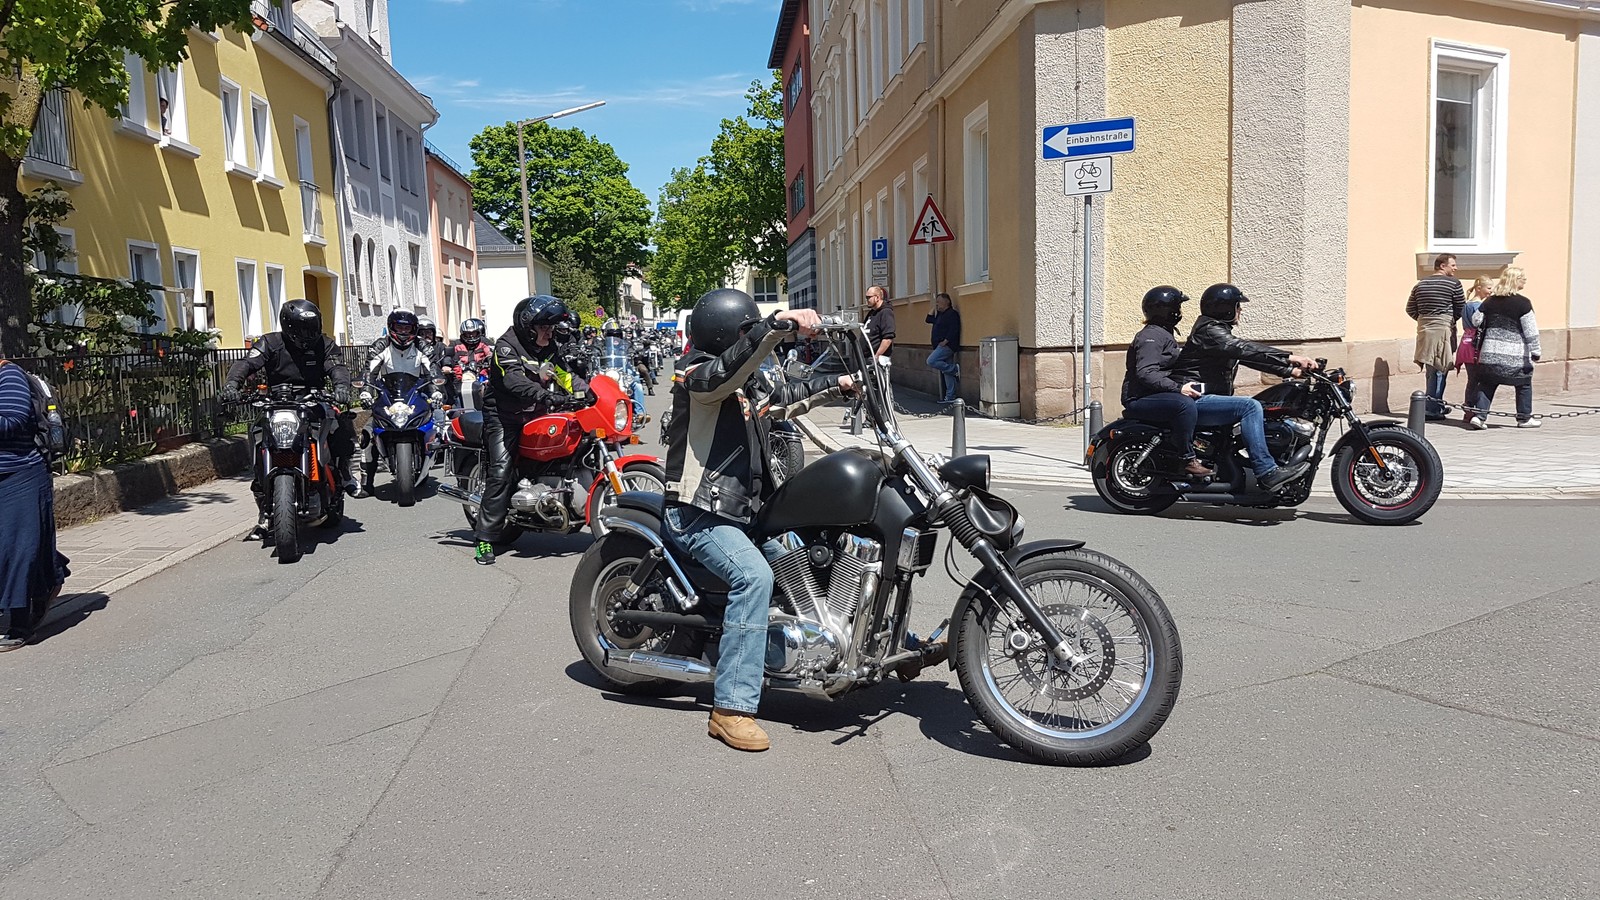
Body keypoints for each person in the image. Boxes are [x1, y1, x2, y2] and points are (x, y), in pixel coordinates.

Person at [664, 288, 857, 751]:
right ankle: (730, 708)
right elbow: (724, 373)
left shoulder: (749, 383)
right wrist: (773, 328)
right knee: (753, 578)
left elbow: (786, 396)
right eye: (746, 329)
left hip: (744, 512)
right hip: (699, 512)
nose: (752, 334)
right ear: (728, 333)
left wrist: (841, 383)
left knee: (808, 555)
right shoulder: (695, 376)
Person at [474, 295, 588, 565]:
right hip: (504, 416)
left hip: (535, 410)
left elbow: (566, 375)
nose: (550, 331)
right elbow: (513, 380)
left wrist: (591, 393)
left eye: (551, 327)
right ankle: (484, 540)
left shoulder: (548, 348)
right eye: (545, 327)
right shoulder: (506, 346)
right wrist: (545, 395)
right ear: (529, 326)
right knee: (500, 471)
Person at [1174, 284, 1317, 492]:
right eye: (1237, 306)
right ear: (1225, 309)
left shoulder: (1216, 331)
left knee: (1261, 408)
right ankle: (1267, 471)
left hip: (1207, 397)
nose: (1240, 310)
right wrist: (1291, 357)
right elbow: (1245, 349)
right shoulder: (1210, 331)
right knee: (1250, 407)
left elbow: (1248, 357)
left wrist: (1291, 371)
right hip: (1197, 398)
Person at [222, 299, 358, 511]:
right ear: (288, 325)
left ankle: (344, 471)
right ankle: (260, 480)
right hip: (276, 402)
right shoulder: (270, 343)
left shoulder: (325, 344)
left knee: (339, 423)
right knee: (257, 430)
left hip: (313, 399)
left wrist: (341, 387)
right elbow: (246, 363)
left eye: (313, 327)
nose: (309, 333)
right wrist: (232, 384)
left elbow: (337, 367)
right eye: (304, 329)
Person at [0, 359, 69, 651]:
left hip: (21, 475)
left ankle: (20, 624)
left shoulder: (8, 375)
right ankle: (52, 574)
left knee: (17, 548)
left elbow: (13, 420)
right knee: (17, 544)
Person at [1121, 287, 1212, 477]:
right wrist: (1179, 389)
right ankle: (1187, 458)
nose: (1180, 312)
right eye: (1177, 307)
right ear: (1167, 310)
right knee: (1184, 405)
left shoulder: (1163, 333)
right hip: (1139, 398)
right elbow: (1146, 373)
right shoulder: (1150, 336)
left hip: (1155, 394)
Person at [1467, 266, 1542, 430]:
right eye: (1523, 278)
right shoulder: (1523, 303)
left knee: (1487, 384)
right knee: (1524, 383)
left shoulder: (1490, 301)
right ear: (1516, 281)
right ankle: (1524, 418)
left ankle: (1479, 417)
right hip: (1514, 356)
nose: (1525, 280)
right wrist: (1536, 351)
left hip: (1490, 353)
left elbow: (1475, 320)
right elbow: (1531, 331)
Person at [1407, 254, 1465, 420]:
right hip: (1443, 330)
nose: (1455, 268)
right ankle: (1432, 408)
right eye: (1452, 265)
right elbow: (1460, 307)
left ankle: (1434, 404)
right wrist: (1448, 321)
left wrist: (1425, 320)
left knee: (1431, 369)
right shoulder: (1454, 283)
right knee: (1441, 368)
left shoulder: (1420, 284)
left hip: (1424, 331)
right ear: (1442, 266)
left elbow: (1410, 309)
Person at [1455, 275, 1494, 423]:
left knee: (1472, 379)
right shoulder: (1477, 306)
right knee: (1478, 379)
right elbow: (1480, 325)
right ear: (1479, 288)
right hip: (1475, 346)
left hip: (1465, 342)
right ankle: (1474, 409)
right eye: (1488, 288)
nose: (1490, 292)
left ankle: (1468, 410)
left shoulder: (1467, 304)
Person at [925, 292, 962, 404]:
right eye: (937, 302)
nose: (938, 304)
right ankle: (950, 396)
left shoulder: (952, 314)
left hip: (947, 345)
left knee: (931, 361)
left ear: (947, 302)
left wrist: (946, 341)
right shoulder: (940, 315)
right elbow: (928, 319)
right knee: (946, 372)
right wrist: (933, 308)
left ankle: (954, 369)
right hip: (939, 345)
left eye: (939, 302)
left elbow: (954, 329)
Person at [450, 318, 492, 410]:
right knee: (453, 393)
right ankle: (457, 412)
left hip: (482, 375)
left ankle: (489, 410)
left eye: (474, 333)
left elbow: (491, 353)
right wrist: (448, 365)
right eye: (468, 333)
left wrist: (489, 360)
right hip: (461, 376)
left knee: (492, 390)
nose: (471, 336)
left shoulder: (484, 342)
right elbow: (449, 357)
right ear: (463, 334)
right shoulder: (456, 344)